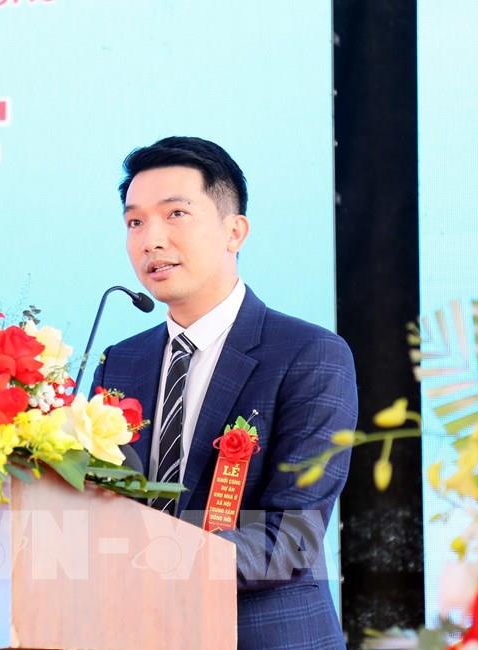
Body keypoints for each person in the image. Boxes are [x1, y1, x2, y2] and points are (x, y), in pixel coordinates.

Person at [92, 136, 358, 649]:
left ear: (234, 231)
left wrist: (158, 565)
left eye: (175, 214)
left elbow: (292, 536)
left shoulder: (309, 354)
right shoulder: (119, 362)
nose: (151, 240)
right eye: (135, 222)